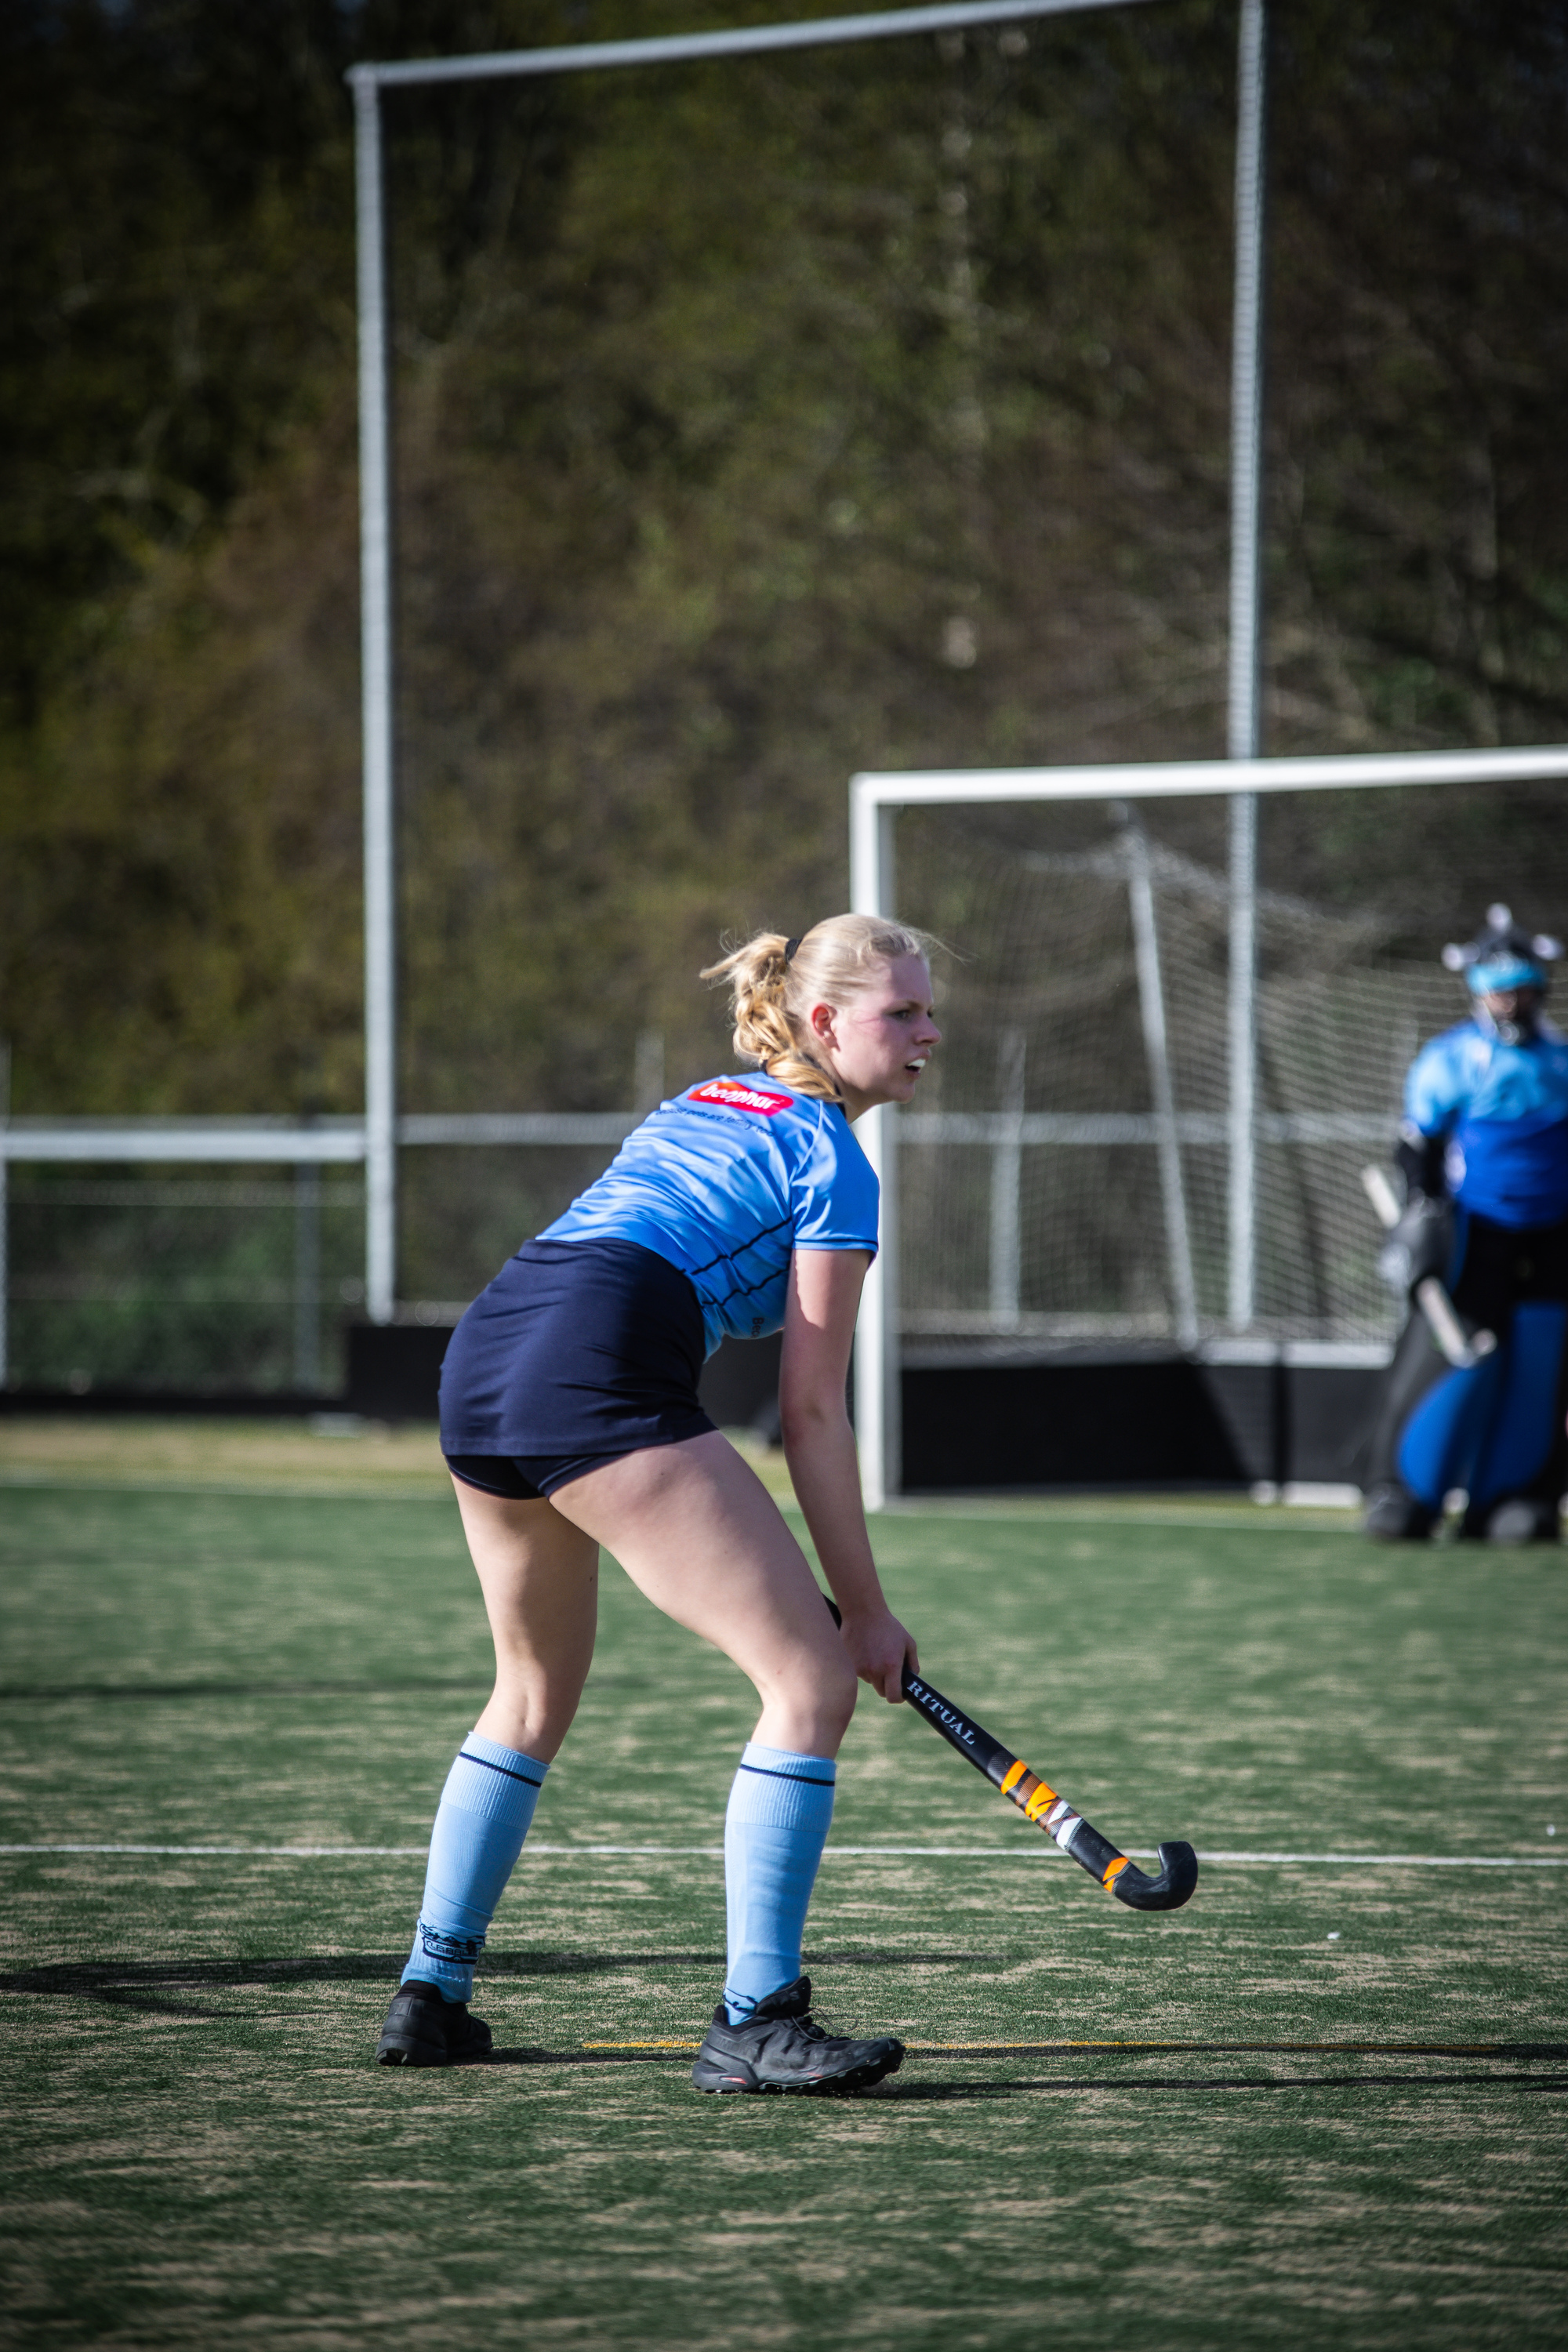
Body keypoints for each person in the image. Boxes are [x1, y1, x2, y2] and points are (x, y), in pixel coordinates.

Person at [375, 915, 942, 2092]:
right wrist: (868, 1614)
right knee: (810, 1682)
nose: (929, 1033)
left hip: (488, 1350)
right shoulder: (835, 1159)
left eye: (931, 1010)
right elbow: (812, 1415)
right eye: (904, 1013)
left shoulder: (705, 1097)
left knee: (529, 1691)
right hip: (592, 1362)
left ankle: (430, 1994)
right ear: (826, 1023)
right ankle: (756, 2016)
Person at [1362, 903, 1568, 1544]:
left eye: (1521, 990)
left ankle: (1514, 1494)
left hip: (1554, 1234)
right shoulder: (1453, 1058)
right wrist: (1423, 1210)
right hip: (1477, 1233)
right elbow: (1416, 1146)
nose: (1512, 1002)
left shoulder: (1561, 1060)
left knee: (1540, 1356)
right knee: (1453, 1354)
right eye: (1500, 991)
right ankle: (1406, 1490)